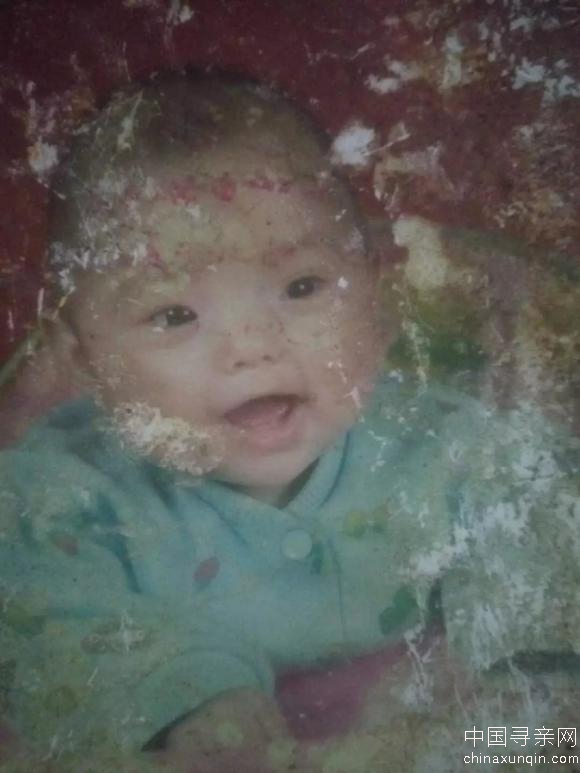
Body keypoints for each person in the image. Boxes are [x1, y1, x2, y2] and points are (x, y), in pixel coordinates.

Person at [0, 70, 578, 773]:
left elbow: (544, 533)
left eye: (302, 286)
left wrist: (518, 671)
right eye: (174, 315)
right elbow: (35, 606)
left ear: (375, 296)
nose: (252, 346)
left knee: (555, 741)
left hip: (427, 736)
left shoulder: (454, 448)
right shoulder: (61, 496)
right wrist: (184, 696)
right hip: (227, 753)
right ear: (86, 357)